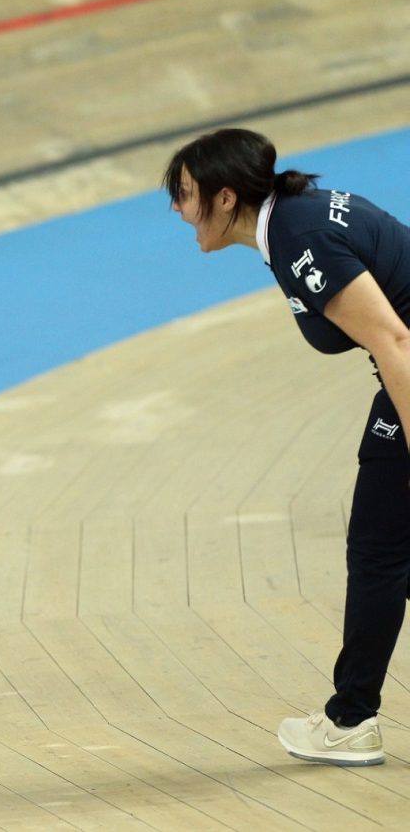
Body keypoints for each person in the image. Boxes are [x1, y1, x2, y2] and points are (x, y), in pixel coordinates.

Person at [164, 128, 410, 767]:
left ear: (223, 199)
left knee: (381, 550)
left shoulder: (300, 237)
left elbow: (396, 341)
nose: (176, 209)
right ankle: (352, 714)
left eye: (183, 194)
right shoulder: (292, 221)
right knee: (390, 547)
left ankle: (351, 721)